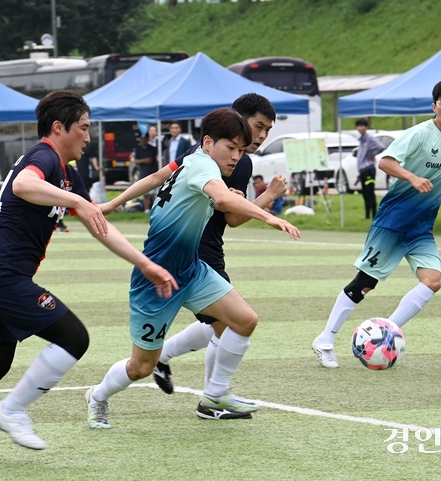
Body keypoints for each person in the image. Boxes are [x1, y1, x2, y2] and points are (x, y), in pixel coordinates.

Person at [0, 90, 177, 458]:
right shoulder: (44, 156)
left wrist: (143, 263)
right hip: (1, 275)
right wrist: (78, 200)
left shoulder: (67, 173)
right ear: (58, 127)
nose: (88, 136)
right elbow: (22, 185)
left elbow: (97, 223)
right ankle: (12, 409)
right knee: (73, 338)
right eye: (82, 128)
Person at [85, 107, 300, 429]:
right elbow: (223, 201)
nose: (237, 158)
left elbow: (158, 177)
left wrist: (113, 204)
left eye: (241, 151)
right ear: (209, 142)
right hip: (156, 278)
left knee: (244, 320)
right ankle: (97, 396)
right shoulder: (202, 164)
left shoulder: (191, 159)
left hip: (192, 270)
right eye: (231, 148)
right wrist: (269, 214)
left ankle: (215, 395)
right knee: (142, 366)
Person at [312, 78, 441, 368]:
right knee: (365, 283)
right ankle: (324, 340)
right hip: (393, 221)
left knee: (432, 282)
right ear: (434, 106)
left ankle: (386, 333)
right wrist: (411, 177)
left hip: (421, 228)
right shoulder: (419, 134)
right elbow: (385, 161)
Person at [355, 118, 385, 219]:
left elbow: (381, 146)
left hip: (369, 169)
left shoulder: (369, 139)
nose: (360, 128)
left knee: (370, 192)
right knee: (365, 194)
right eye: (358, 126)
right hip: (363, 171)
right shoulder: (361, 140)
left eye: (362, 125)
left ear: (366, 127)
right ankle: (367, 216)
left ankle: (374, 216)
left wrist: (372, 154)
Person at [132, 133, 159, 213]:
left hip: (153, 172)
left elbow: (150, 160)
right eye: (141, 138)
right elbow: (136, 161)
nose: (143, 140)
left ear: (147, 139)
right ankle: (146, 210)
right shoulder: (137, 149)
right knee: (145, 194)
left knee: (153, 194)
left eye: (144, 138)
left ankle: (155, 210)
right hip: (143, 173)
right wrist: (144, 160)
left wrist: (141, 161)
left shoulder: (153, 149)